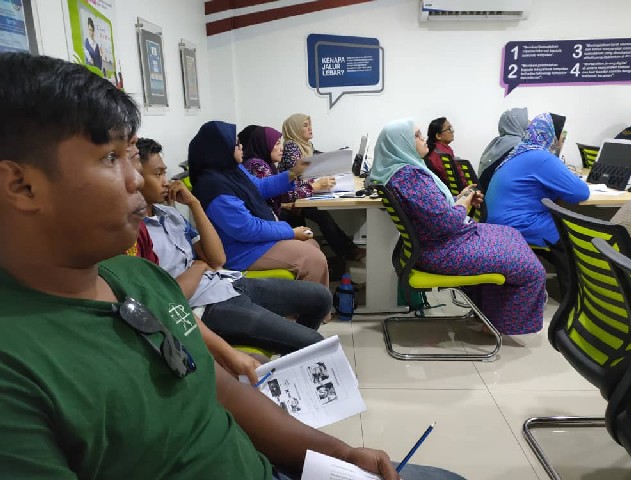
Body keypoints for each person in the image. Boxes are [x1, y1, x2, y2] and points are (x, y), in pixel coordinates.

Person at [0, 53, 471, 480]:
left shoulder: (138, 278)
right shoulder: (16, 372)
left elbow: (218, 389)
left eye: (131, 157)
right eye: (109, 158)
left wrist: (341, 454)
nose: (136, 181)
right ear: (20, 186)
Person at [138, 137, 330, 354]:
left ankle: (292, 354)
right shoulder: (135, 234)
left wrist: (194, 204)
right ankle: (296, 350)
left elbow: (217, 259)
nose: (166, 182)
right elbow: (170, 296)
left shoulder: (170, 214)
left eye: (165, 173)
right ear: (135, 178)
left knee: (321, 298)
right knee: (314, 342)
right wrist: (200, 265)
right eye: (158, 174)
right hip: (205, 305)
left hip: (225, 281)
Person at [370, 118, 546, 336]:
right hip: (443, 250)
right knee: (531, 269)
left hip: (441, 243)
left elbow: (433, 210)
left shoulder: (402, 173)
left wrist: (460, 198)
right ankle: (501, 323)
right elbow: (447, 222)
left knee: (510, 234)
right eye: (416, 136)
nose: (423, 138)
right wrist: (464, 203)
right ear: (401, 143)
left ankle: (490, 314)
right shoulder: (411, 177)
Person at [188, 120, 330, 288]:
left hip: (254, 242)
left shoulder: (233, 170)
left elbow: (259, 187)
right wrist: (291, 232)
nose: (241, 147)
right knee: (313, 259)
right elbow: (247, 229)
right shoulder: (213, 188)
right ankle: (312, 305)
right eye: (236, 144)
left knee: (312, 244)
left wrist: (294, 172)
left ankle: (299, 302)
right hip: (242, 250)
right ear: (221, 149)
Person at [484, 113, 589, 298]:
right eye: (561, 136)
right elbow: (581, 193)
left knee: (560, 227)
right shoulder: (542, 157)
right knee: (573, 236)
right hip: (518, 223)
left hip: (496, 220)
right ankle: (574, 298)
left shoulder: (520, 151)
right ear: (553, 136)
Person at [244, 125, 365, 266]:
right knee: (317, 214)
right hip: (269, 217)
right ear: (264, 145)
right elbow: (276, 193)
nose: (281, 148)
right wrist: (313, 187)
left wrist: (310, 186)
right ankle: (339, 254)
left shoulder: (267, 163)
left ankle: (340, 253)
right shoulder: (259, 165)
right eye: (276, 144)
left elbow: (285, 187)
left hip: (278, 209)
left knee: (316, 213)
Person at [279, 114, 366, 262]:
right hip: (290, 196)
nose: (310, 128)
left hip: (302, 192)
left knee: (322, 213)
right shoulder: (291, 147)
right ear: (294, 129)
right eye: (305, 125)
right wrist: (319, 182)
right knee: (322, 215)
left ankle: (347, 250)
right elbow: (299, 176)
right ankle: (347, 251)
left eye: (310, 124)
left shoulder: (306, 145)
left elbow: (314, 163)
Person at [477, 107, 529, 191]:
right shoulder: (520, 146)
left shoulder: (495, 142)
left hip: (484, 193)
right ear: (520, 123)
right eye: (526, 122)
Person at [425, 117, 467, 189]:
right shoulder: (441, 154)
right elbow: (454, 178)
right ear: (438, 136)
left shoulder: (439, 149)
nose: (452, 131)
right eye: (449, 129)